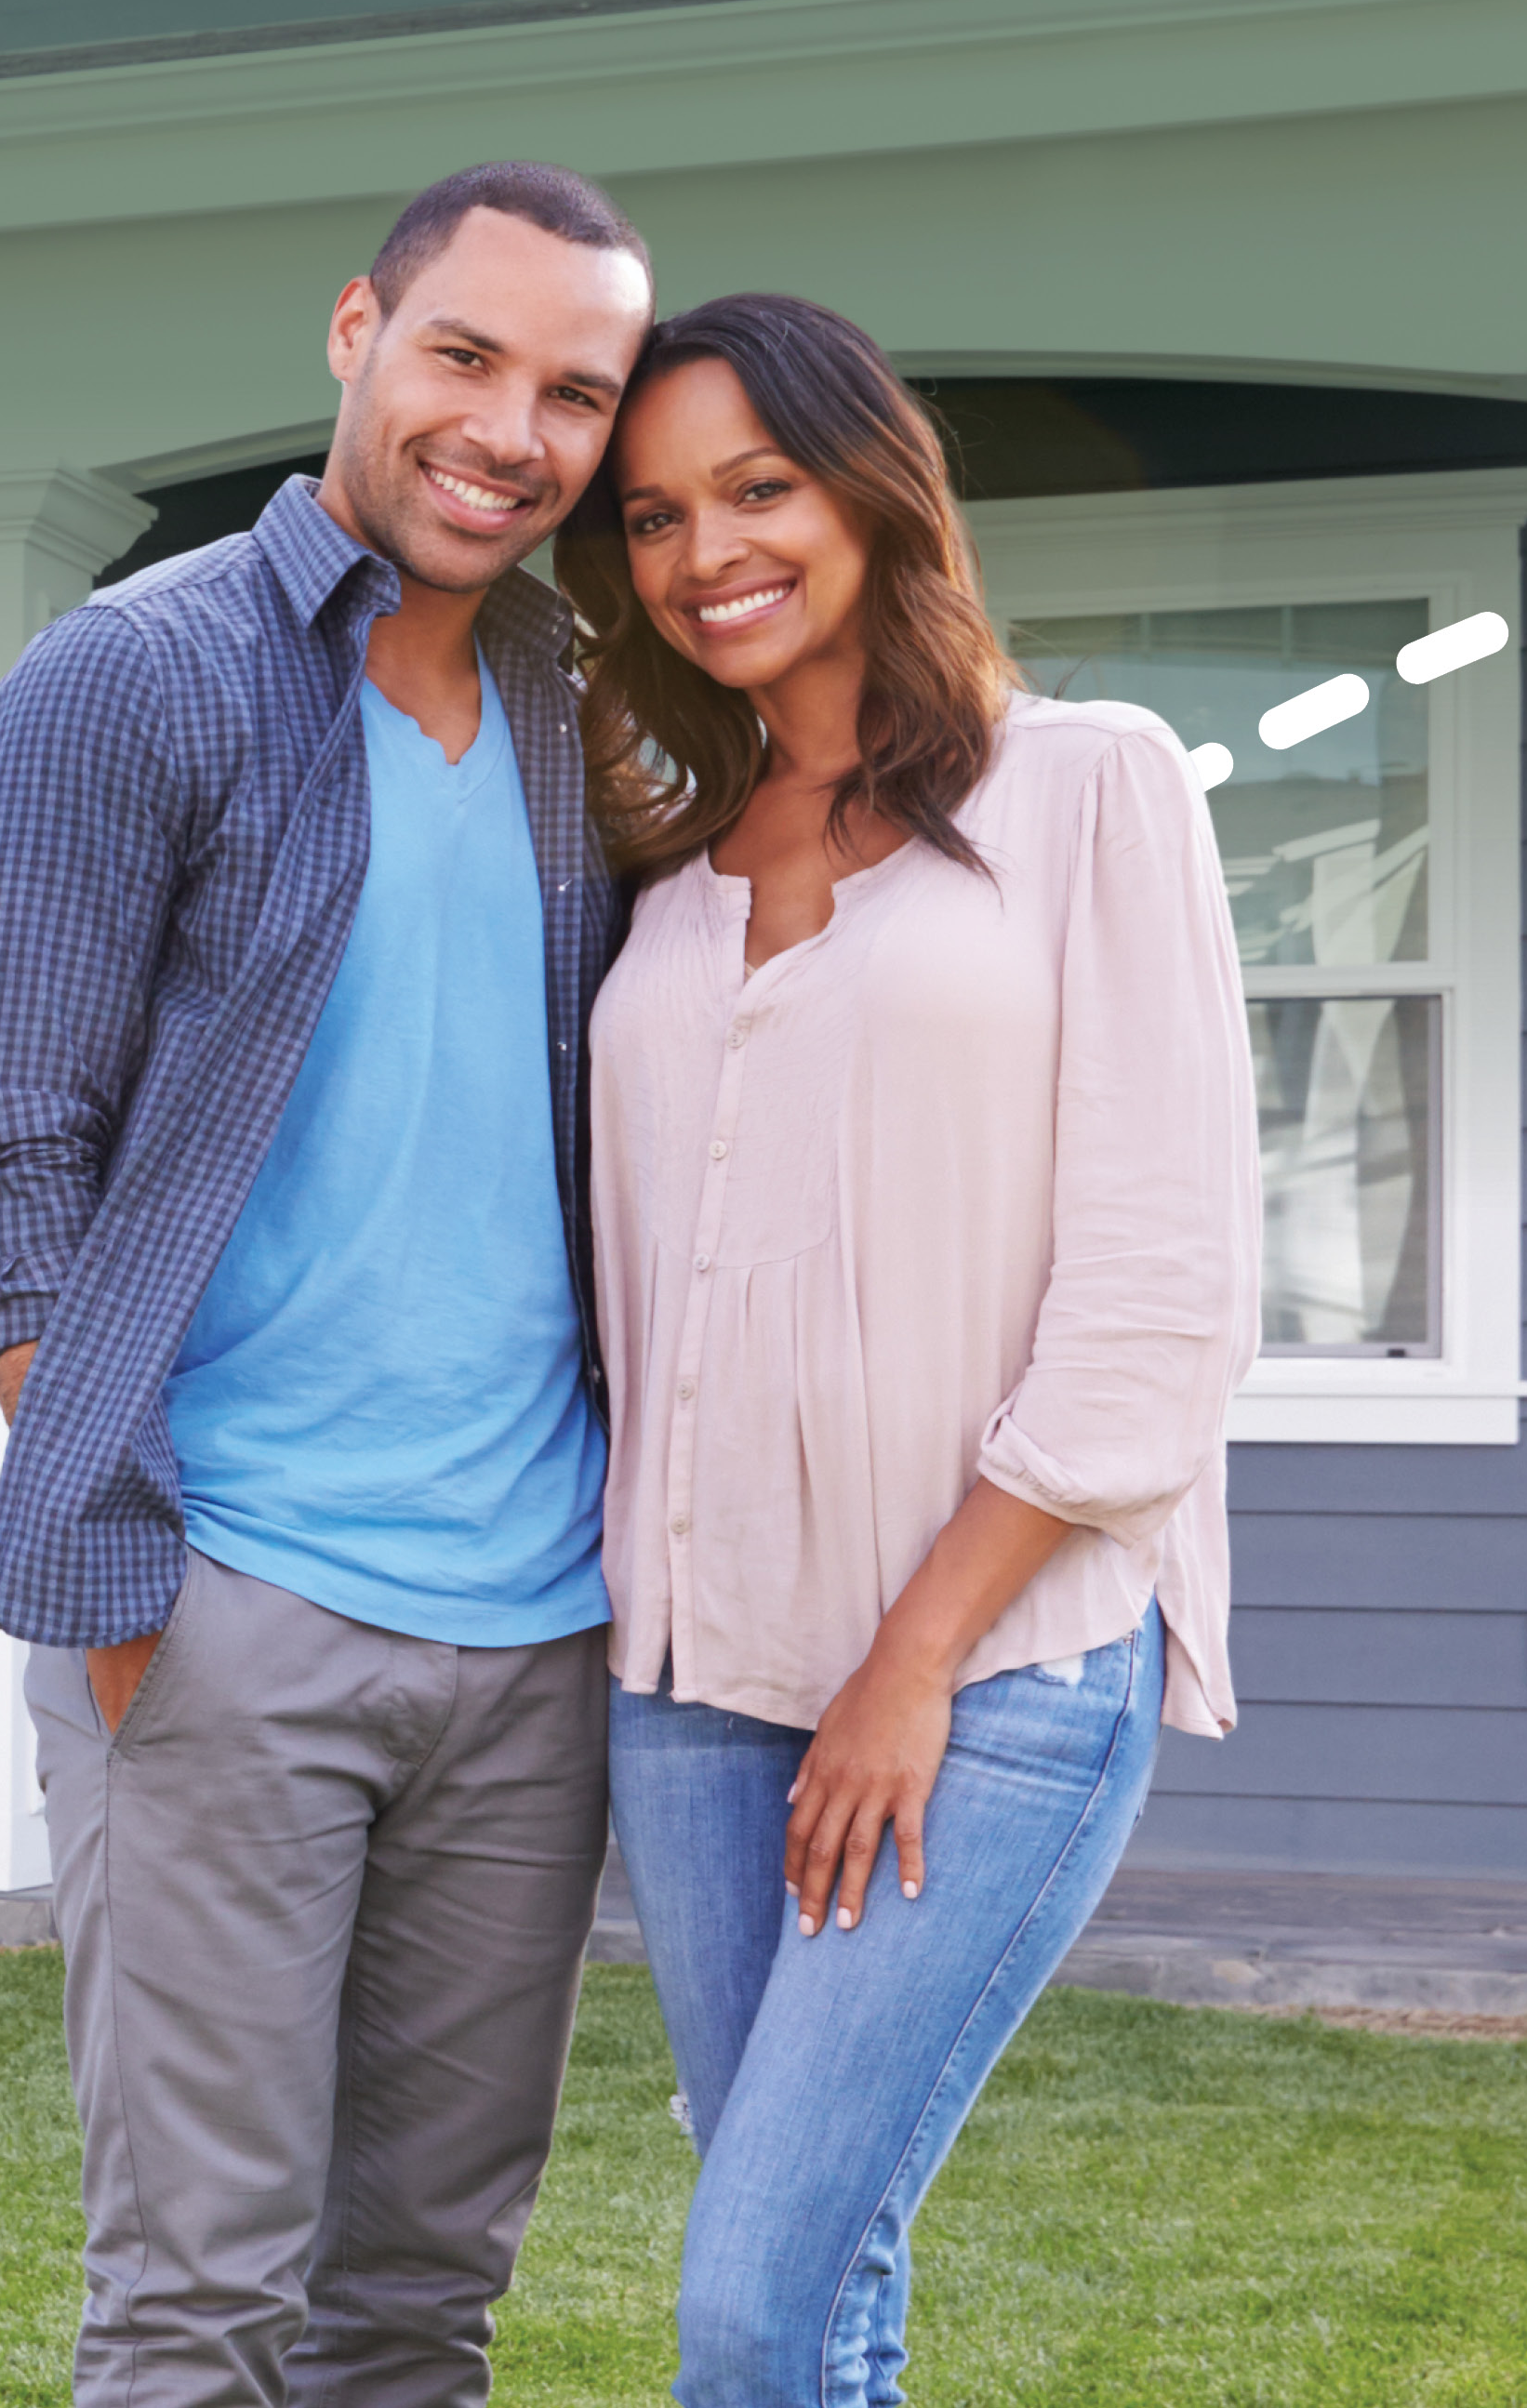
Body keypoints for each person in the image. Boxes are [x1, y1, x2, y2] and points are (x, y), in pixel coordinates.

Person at [0, 161, 651, 2408]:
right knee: (201, 2303)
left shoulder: (571, 713)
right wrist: (138, 1593)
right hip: (227, 1594)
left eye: (572, 393)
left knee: (419, 2304)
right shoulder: (127, 682)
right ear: (354, 332)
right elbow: (4, 1168)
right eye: (465, 355)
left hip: (530, 1626)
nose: (509, 431)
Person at [564, 292, 1256, 2408]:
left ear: (869, 487)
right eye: (660, 514)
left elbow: (1158, 1288)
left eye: (754, 489)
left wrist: (911, 1660)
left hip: (995, 1663)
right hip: (687, 1685)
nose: (707, 553)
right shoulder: (660, 867)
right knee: (819, 2262)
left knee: (748, 2301)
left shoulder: (1085, 790)